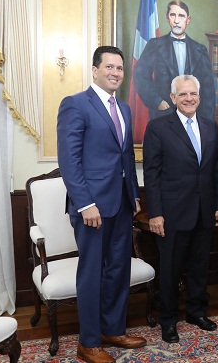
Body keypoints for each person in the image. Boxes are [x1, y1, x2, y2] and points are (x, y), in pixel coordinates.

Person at [57, 46, 146, 363]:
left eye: (120, 68)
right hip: (92, 207)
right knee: (92, 273)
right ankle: (89, 342)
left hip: (121, 204)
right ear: (94, 70)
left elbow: (125, 157)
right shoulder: (75, 104)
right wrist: (85, 204)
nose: (115, 73)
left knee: (118, 270)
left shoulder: (123, 107)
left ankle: (112, 329)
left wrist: (134, 195)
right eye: (109, 67)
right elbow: (69, 162)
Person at [143, 74, 218, 344]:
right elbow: (151, 174)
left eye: (193, 94)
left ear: (199, 97)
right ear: (173, 98)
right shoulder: (157, 127)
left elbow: (216, 170)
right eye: (183, 94)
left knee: (199, 266)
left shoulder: (210, 126)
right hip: (171, 214)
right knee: (169, 269)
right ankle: (168, 320)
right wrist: (155, 212)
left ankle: (196, 312)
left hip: (205, 211)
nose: (189, 98)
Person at [134, 0, 216, 121]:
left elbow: (208, 89)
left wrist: (207, 121)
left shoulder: (200, 49)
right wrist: (157, 102)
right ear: (167, 18)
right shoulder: (154, 45)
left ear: (188, 20)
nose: (177, 21)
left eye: (181, 16)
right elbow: (140, 77)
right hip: (162, 115)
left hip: (193, 116)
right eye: (173, 15)